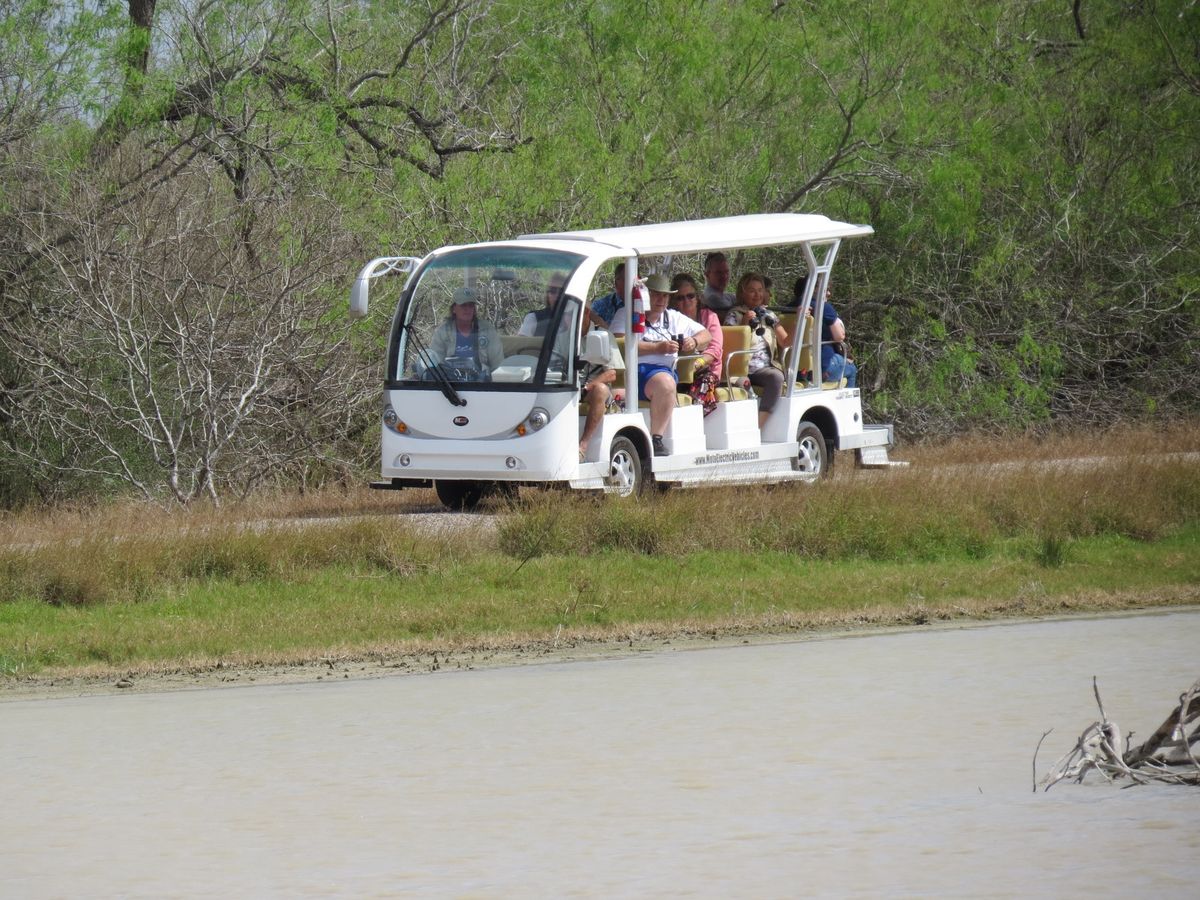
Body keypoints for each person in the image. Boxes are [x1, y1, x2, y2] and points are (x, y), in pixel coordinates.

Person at [637, 273, 711, 456]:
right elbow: (621, 343)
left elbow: (706, 336)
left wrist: (693, 341)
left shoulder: (674, 317)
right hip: (631, 372)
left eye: (665, 295)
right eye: (656, 294)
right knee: (665, 381)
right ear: (646, 296)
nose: (661, 299)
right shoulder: (630, 314)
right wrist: (657, 348)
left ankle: (656, 439)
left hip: (662, 373)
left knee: (666, 382)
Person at [724, 272, 793, 427]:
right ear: (743, 293)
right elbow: (730, 346)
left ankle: (758, 427)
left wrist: (801, 319)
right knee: (743, 385)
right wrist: (744, 323)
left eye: (760, 290)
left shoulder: (769, 315)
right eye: (752, 290)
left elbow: (786, 342)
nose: (757, 294)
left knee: (776, 377)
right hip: (741, 369)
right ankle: (742, 429)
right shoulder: (734, 315)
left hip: (764, 369)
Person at [427, 287, 505, 376]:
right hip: (450, 385)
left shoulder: (487, 330)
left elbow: (498, 365)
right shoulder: (443, 331)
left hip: (481, 385)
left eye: (471, 305)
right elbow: (435, 364)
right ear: (454, 309)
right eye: (463, 305)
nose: (467, 309)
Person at [669, 273, 723, 380]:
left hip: (707, 370)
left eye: (690, 296)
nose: (686, 301)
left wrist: (698, 363)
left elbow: (715, 349)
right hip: (676, 370)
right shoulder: (671, 318)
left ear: (697, 297)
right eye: (680, 298)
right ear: (674, 301)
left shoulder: (709, 316)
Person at [577, 340, 618, 461]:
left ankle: (582, 446)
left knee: (600, 389)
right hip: (567, 387)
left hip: (590, 391)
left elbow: (612, 374)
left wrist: (587, 387)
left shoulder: (603, 336)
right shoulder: (560, 334)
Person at [818, 287, 858, 388]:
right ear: (815, 289)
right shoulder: (824, 307)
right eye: (825, 289)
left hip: (797, 367)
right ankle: (848, 403)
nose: (829, 293)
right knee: (852, 369)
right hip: (823, 365)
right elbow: (839, 336)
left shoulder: (792, 308)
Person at [588, 262, 636, 333]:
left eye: (636, 279)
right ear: (616, 283)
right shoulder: (601, 305)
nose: (633, 283)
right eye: (628, 279)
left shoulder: (643, 304)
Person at [519, 272, 568, 337]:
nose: (557, 295)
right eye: (553, 290)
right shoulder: (533, 318)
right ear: (547, 294)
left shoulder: (575, 318)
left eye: (561, 291)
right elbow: (522, 344)